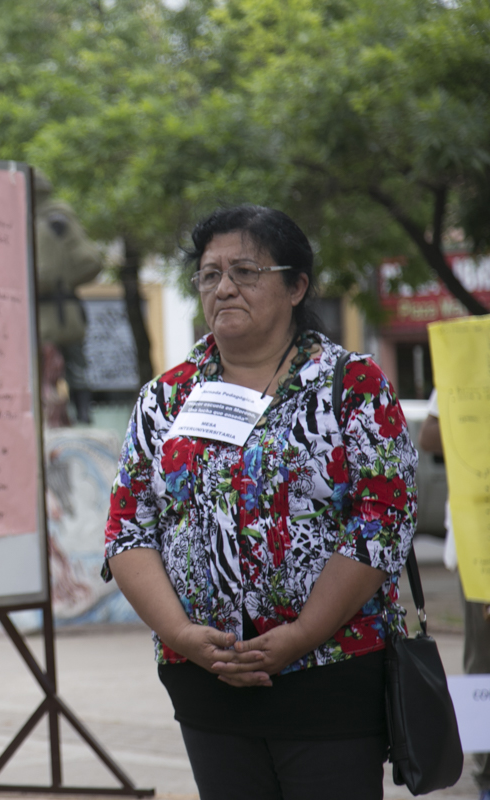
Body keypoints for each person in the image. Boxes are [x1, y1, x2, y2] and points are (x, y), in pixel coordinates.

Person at [103, 205, 417, 800]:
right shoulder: (165, 398)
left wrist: (302, 633)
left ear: (296, 286)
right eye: (209, 274)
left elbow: (383, 521)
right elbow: (127, 530)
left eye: (245, 271)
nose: (223, 288)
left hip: (330, 674)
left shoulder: (351, 385)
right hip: (206, 678)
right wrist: (183, 635)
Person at [421, 390, 490, 800]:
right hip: (481, 537)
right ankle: (486, 774)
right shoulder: (470, 364)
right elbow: (429, 434)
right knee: (484, 656)